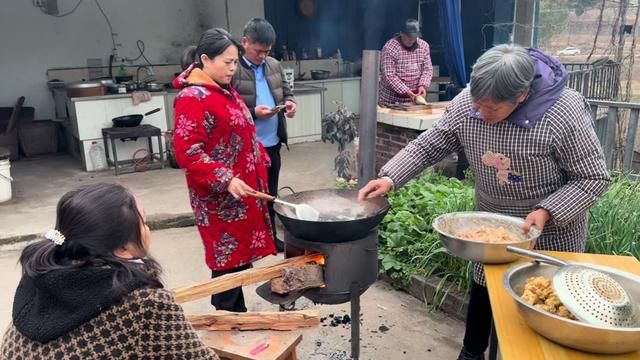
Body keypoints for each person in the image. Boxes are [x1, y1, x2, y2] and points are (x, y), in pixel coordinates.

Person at [359, 44, 610, 360]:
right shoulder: (470, 103)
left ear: (522, 97)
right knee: (484, 291)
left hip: (551, 232)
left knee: (542, 305)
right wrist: (391, 177)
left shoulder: (564, 113)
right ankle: (472, 352)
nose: (480, 113)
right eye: (476, 104)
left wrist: (549, 210)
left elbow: (593, 178)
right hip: (491, 230)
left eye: (490, 109)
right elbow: (429, 145)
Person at [0, 183, 220, 359]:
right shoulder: (145, 303)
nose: (148, 229)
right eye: (143, 223)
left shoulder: (38, 272)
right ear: (122, 248)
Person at [174, 28, 276, 313]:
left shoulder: (223, 89)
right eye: (227, 62)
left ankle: (232, 314)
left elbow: (238, 130)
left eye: (234, 62)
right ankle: (230, 321)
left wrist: (260, 158)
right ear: (205, 59)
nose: (232, 68)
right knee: (227, 260)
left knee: (237, 258)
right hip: (218, 198)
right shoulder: (192, 97)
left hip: (240, 191)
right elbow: (188, 152)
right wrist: (225, 177)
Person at [232, 18, 297, 252]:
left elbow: (287, 92)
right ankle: (248, 240)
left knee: (269, 193)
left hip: (272, 143)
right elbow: (227, 110)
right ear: (244, 42)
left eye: (267, 51)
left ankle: (269, 238)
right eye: (258, 51)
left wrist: (289, 103)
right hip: (246, 148)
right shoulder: (232, 69)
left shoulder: (274, 65)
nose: (262, 56)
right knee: (247, 195)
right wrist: (253, 113)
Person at [378, 18, 433, 107]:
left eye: (414, 37)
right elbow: (389, 75)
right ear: (401, 34)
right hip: (391, 101)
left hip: (415, 100)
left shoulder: (424, 46)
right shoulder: (390, 48)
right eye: (408, 37)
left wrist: (423, 86)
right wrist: (406, 91)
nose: (411, 40)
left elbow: (427, 69)